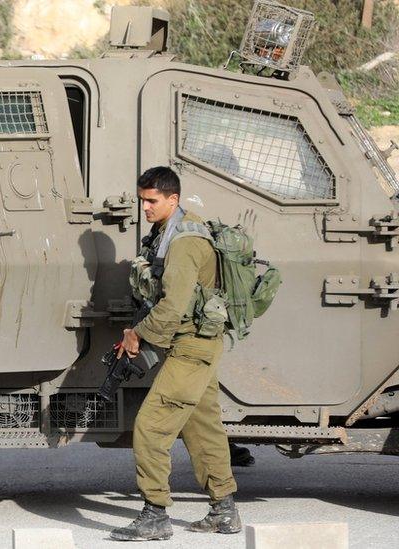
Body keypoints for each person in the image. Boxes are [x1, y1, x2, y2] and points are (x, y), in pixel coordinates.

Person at [111, 166, 241, 541]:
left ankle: (155, 516)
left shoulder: (183, 243)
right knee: (203, 427)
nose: (146, 208)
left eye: (152, 201)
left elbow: (172, 306)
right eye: (142, 201)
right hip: (196, 342)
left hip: (191, 346)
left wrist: (137, 335)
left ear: (173, 199)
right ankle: (224, 511)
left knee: (151, 427)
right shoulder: (168, 232)